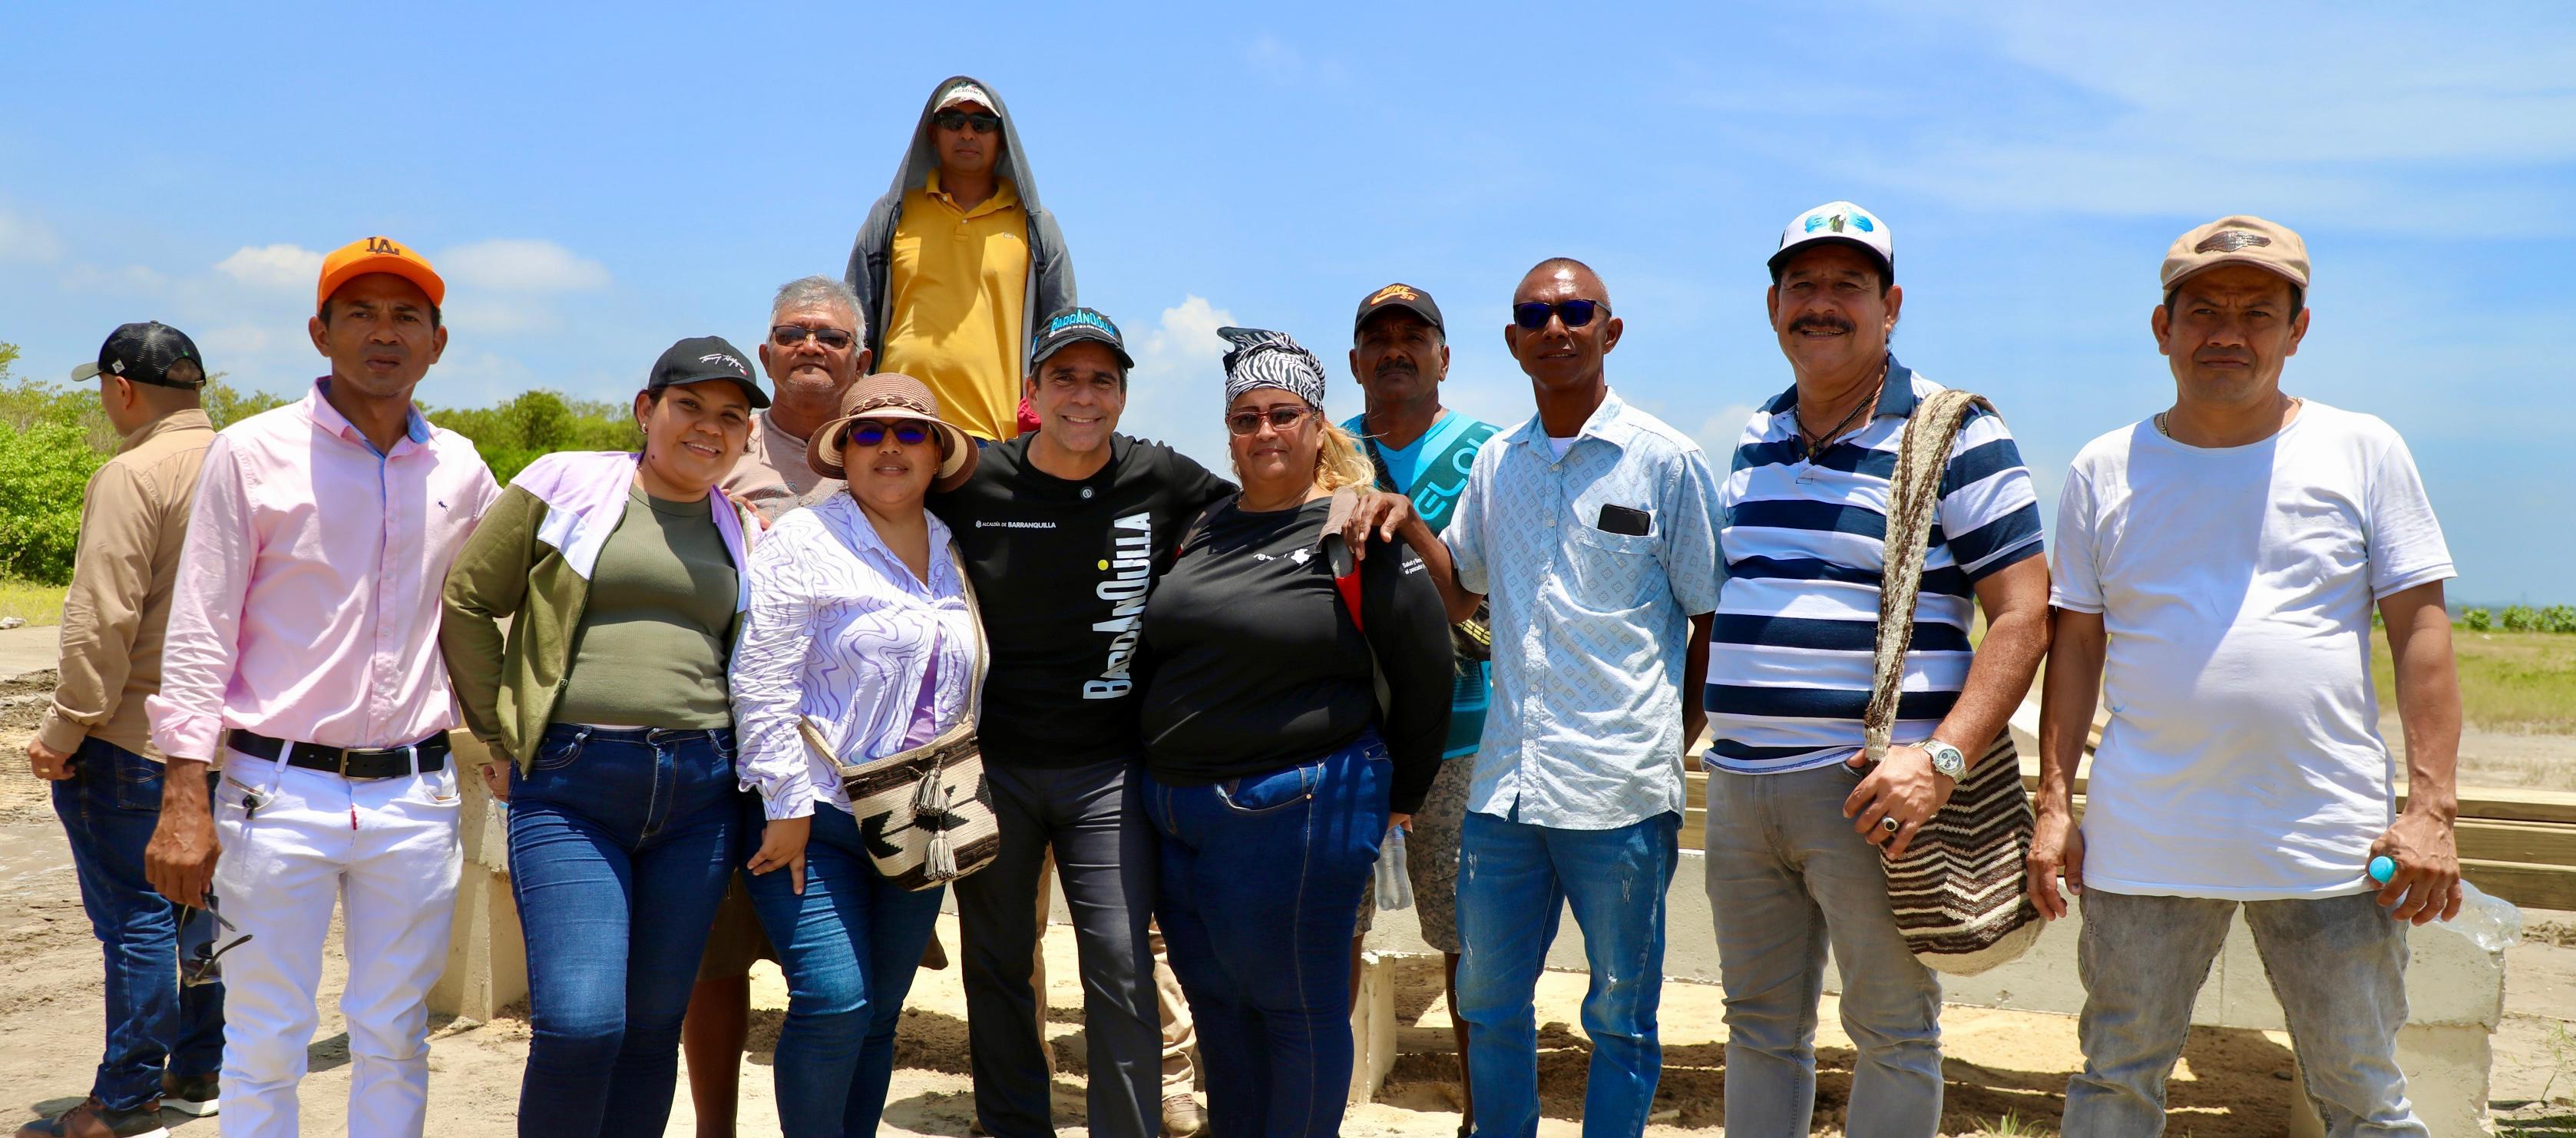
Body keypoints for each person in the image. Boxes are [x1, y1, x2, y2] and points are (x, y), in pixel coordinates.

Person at [2033, 216, 2460, 1136]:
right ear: (2163, 328)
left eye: (2257, 313)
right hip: (2145, 840)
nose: (2227, 333)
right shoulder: (2102, 468)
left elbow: (2420, 631)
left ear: (2296, 330)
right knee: (2116, 1078)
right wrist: (2054, 806)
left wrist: (2431, 809)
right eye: (2203, 311)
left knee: (2361, 1093)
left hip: (2328, 840)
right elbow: (2075, 646)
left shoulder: (2362, 449)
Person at [1701, 203, 2050, 1136]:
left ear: (1889, 306)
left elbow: (2024, 614)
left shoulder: (1954, 431)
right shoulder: (1758, 434)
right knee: (1757, 1027)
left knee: (1892, 1030)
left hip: (1869, 789)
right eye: (1802, 285)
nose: (1821, 304)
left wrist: (1941, 760)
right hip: (1738, 786)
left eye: (1847, 286)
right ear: (1772, 306)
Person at [141, 237, 501, 1138]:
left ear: (437, 342)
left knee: (395, 1032)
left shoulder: (461, 470)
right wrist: (184, 793)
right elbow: (201, 628)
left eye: (406, 316)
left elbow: (509, 601)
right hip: (274, 794)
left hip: (415, 797)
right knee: (265, 1036)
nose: (385, 333)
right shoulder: (251, 453)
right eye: (361, 314)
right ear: (320, 332)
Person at [1391, 259, 1722, 1138]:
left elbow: (1710, 618)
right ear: (1511, 340)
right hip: (1505, 792)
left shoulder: (1664, 460)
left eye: (1575, 311)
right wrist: (1404, 521)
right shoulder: (1498, 463)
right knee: (1487, 1003)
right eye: (1534, 315)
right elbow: (1459, 595)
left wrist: (1669, 739)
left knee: (1618, 1015)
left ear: (1610, 331)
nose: (1555, 328)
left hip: (1619, 796)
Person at [441, 336, 766, 1136]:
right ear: (646, 409)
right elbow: (467, 599)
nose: (710, 427)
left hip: (700, 794)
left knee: (653, 1027)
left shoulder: (742, 528)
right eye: (689, 405)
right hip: (573, 785)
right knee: (582, 1023)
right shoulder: (564, 484)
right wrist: (499, 736)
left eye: (731, 416)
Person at [925, 306, 1235, 1138]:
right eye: (1064, 377)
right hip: (991, 768)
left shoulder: (1162, 476)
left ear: (1122, 395)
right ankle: (1013, 1124)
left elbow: (1259, 513)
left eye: (1102, 380)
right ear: (1033, 390)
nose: (1084, 396)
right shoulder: (972, 480)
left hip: (1111, 770)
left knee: (1122, 963)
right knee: (996, 963)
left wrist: (1349, 502)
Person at [1138, 326, 1453, 1138]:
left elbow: (1427, 671)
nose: (1265, 431)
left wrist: (1402, 796)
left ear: (1319, 425)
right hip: (1177, 815)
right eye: (1246, 418)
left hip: (1300, 806)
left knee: (1294, 1008)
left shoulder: (1357, 530)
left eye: (1283, 413)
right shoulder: (1203, 523)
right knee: (1217, 1005)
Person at [728, 373, 981, 1138]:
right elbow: (761, 678)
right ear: (843, 451)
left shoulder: (949, 543)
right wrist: (784, 807)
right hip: (816, 813)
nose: (889, 447)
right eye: (869, 433)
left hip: (925, 813)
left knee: (879, 1013)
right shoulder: (805, 537)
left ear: (936, 453)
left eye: (910, 433)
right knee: (834, 1001)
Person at [18, 323, 223, 1138]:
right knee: (201, 910)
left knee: (137, 920)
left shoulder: (133, 473)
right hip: (227, 741)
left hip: (134, 738)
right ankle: (200, 1068)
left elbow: (102, 619)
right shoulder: (247, 465)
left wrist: (64, 729)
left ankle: (128, 1097)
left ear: (123, 388)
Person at [687, 276, 873, 1138]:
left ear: (859, 359)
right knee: (715, 961)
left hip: (844, 763)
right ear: (765, 354)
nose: (811, 347)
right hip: (723, 744)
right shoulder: (720, 441)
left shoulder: (883, 447)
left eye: (831, 337)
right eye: (794, 333)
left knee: (840, 981)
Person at [1338, 283, 1498, 1135]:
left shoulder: (1487, 454)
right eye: (1379, 338)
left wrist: (1406, 527)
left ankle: (1482, 1117)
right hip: (1342, 735)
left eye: (1413, 336)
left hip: (1462, 734)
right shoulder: (1327, 450)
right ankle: (1313, 1110)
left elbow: (1474, 606)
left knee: (1470, 942)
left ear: (1444, 357)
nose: (1395, 350)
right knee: (1331, 930)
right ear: (1354, 360)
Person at [845, 75, 1076, 442]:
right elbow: (853, 325)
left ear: (1002, 138)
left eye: (982, 124)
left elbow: (1061, 338)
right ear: (933, 133)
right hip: (899, 428)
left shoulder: (1035, 227)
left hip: (998, 437)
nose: (967, 133)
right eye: (953, 121)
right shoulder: (892, 217)